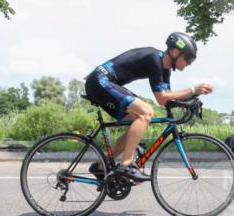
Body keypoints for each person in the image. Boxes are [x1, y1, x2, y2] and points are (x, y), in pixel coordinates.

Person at [84, 32, 212, 181]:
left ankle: (101, 166)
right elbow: (161, 97)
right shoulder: (154, 59)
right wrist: (192, 90)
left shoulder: (165, 68)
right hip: (100, 81)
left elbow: (166, 99)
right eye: (189, 58)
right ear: (176, 52)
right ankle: (126, 165)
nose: (190, 63)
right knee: (146, 112)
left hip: (107, 84)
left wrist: (191, 98)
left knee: (136, 122)